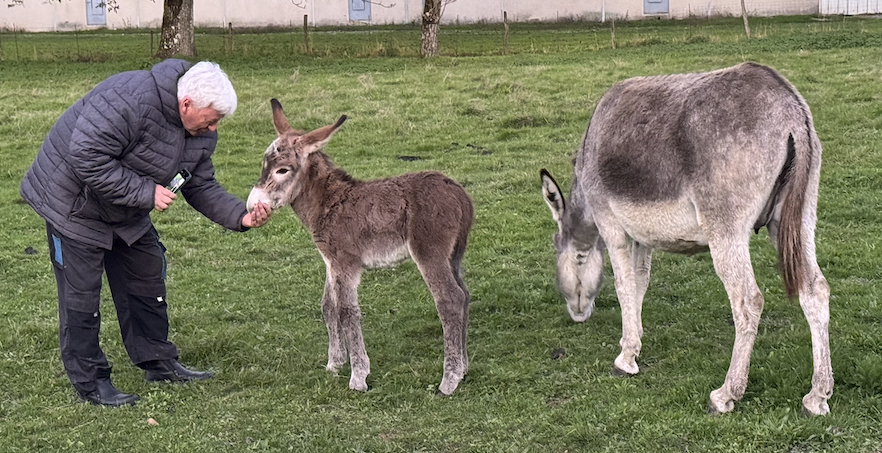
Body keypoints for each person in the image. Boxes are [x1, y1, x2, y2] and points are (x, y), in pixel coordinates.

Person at [20, 59, 272, 407]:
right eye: (212, 119)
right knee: (81, 295)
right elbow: (86, 155)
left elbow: (199, 183)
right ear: (186, 105)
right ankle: (91, 380)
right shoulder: (130, 99)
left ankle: (157, 361)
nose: (214, 129)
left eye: (218, 122)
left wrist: (240, 217)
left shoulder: (199, 133)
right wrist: (145, 192)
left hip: (125, 208)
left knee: (146, 274)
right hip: (72, 204)